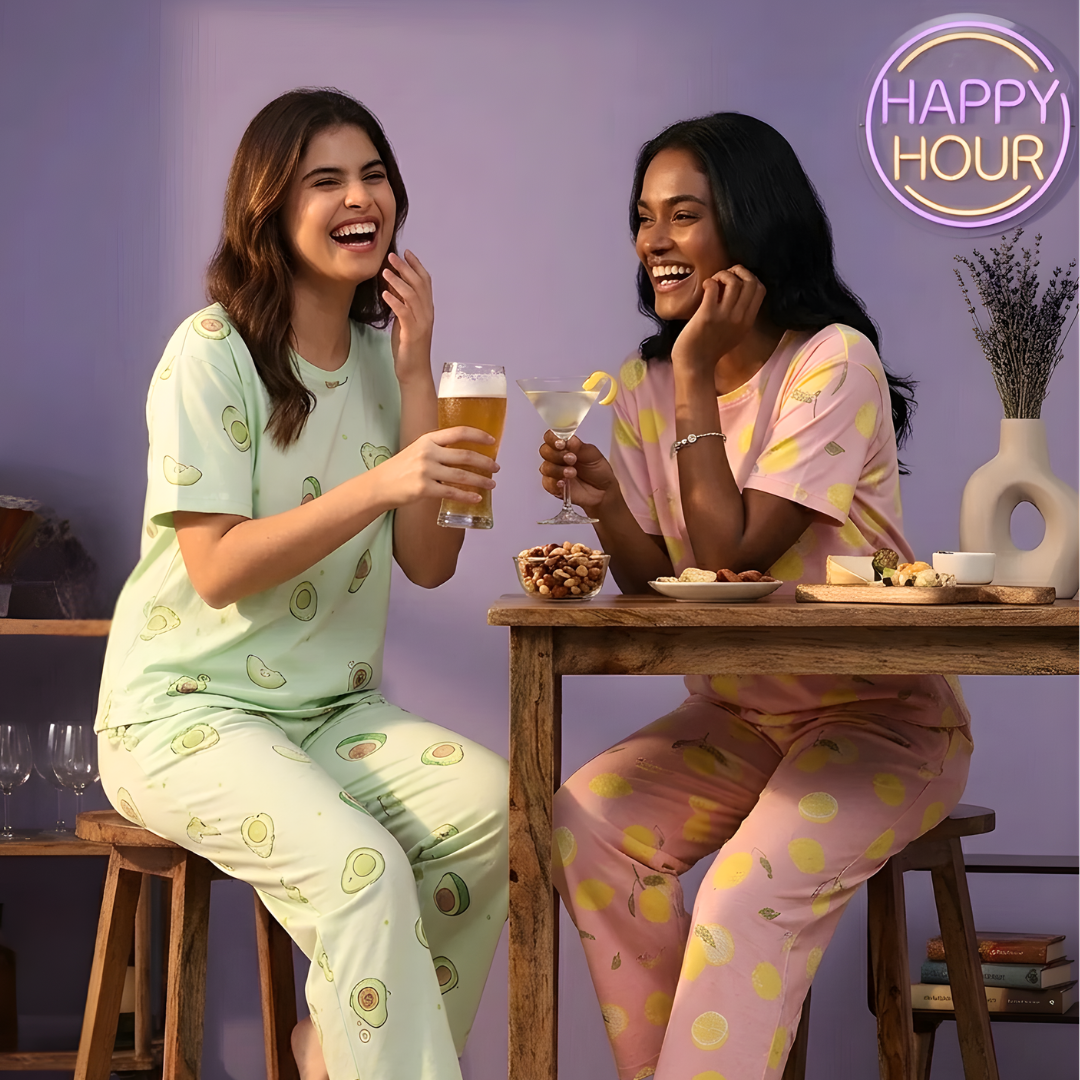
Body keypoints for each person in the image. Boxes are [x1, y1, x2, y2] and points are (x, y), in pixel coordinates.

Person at [538, 113, 971, 1079]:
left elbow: (735, 557)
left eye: (683, 215)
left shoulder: (831, 362)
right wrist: (609, 502)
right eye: (644, 218)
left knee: (743, 892)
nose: (653, 239)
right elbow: (663, 581)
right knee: (587, 822)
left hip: (882, 722)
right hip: (739, 719)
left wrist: (693, 370)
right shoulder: (643, 382)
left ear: (750, 227)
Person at [94, 88, 508, 1080]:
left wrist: (415, 377)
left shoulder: (385, 356)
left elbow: (429, 560)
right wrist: (385, 480)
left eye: (373, 175)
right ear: (269, 210)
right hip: (183, 713)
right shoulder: (210, 353)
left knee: (497, 806)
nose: (360, 197)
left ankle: (341, 1051)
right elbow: (219, 568)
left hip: (329, 713)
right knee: (361, 874)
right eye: (325, 180)